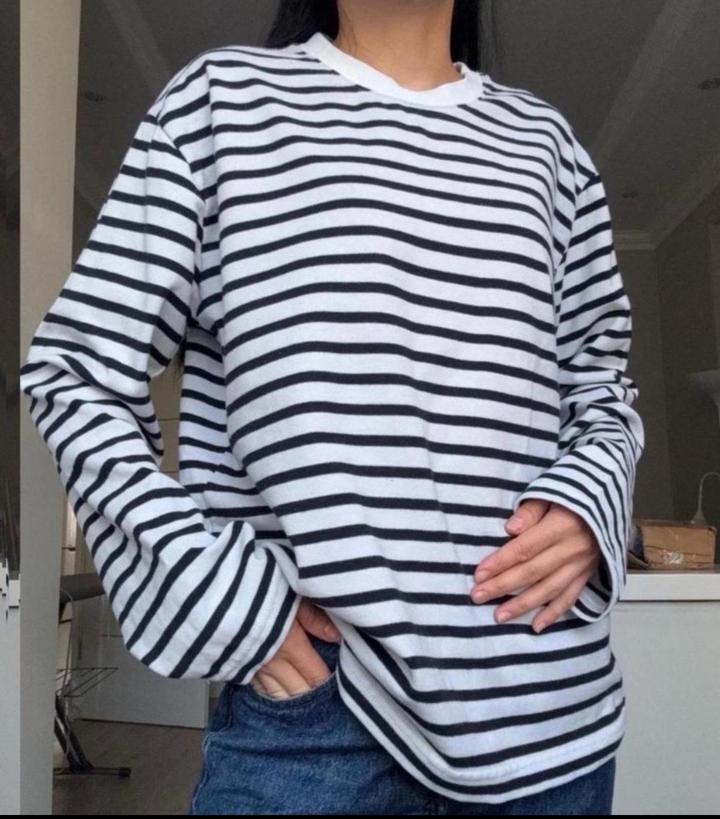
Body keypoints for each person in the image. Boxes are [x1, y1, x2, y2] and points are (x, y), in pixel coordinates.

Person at [19, 0, 644, 814]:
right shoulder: (219, 104)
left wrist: (588, 505)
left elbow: (600, 386)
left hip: (553, 719)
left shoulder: (550, 150)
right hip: (317, 721)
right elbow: (74, 371)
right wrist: (215, 591)